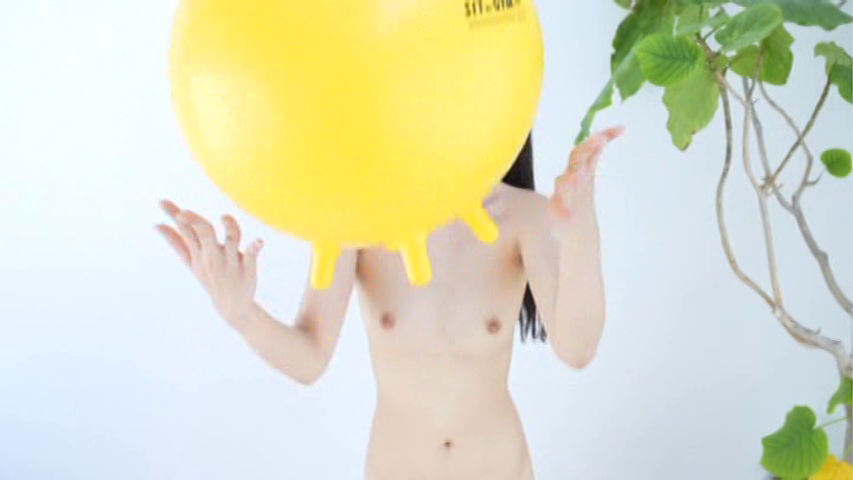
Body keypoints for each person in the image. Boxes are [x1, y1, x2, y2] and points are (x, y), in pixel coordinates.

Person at [156, 126, 624, 480]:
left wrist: (580, 227)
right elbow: (309, 359)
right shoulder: (357, 218)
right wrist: (241, 313)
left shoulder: (523, 215)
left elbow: (577, 347)